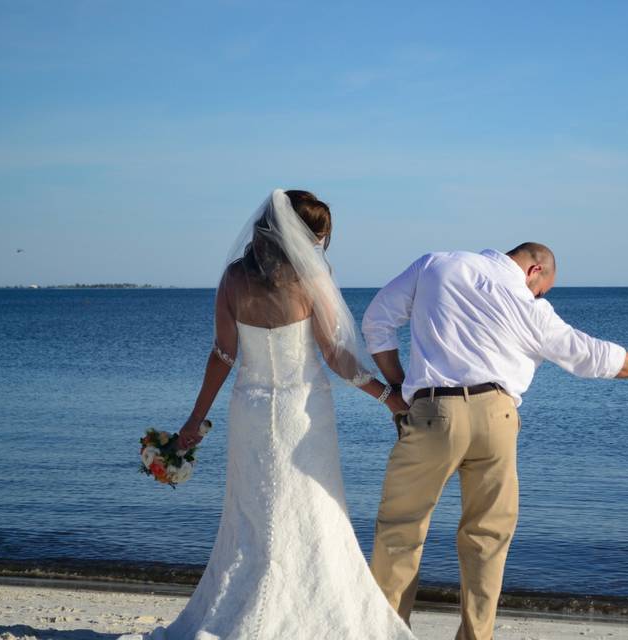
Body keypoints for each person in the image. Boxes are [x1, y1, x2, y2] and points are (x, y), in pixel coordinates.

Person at [362, 243, 628, 640]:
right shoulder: (529, 308)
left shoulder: (437, 265)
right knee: (487, 538)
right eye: (543, 289)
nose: (540, 296)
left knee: (402, 531)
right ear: (534, 269)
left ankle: (386, 633)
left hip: (435, 413)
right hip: (497, 418)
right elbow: (590, 355)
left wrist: (400, 388)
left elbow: (376, 323)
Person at [122, 190, 414, 640]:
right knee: (317, 511)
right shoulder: (311, 279)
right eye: (318, 237)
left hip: (251, 410)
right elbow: (337, 357)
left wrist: (194, 422)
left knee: (251, 512)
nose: (319, 247)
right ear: (300, 236)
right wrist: (387, 398)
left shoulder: (233, 279)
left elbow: (223, 354)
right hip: (304, 411)